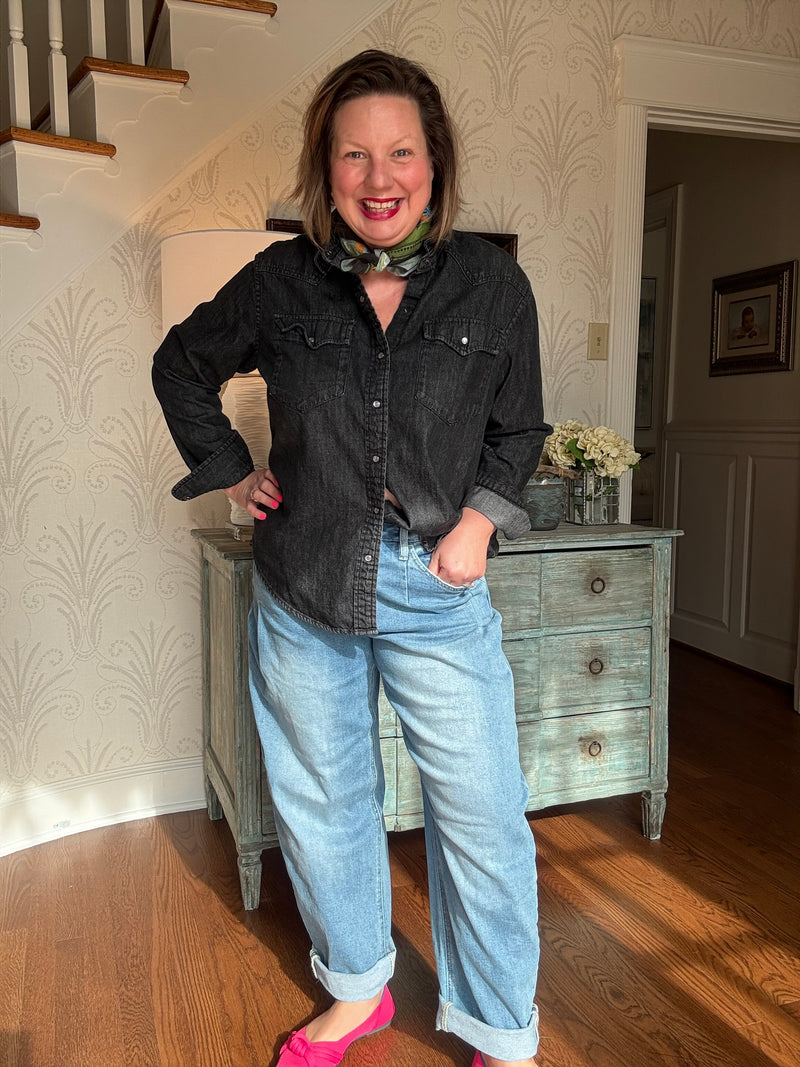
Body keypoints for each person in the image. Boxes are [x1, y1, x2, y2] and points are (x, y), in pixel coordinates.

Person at [153, 49, 549, 1067]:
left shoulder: (493, 285)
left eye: (400, 152)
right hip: (305, 582)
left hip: (437, 586)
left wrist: (476, 526)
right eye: (354, 154)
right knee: (324, 802)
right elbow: (181, 363)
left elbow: (518, 430)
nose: (379, 179)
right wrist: (231, 470)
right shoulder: (281, 281)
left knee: (483, 816)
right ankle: (359, 989)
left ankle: (501, 1030)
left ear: (434, 161)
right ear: (324, 168)